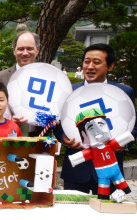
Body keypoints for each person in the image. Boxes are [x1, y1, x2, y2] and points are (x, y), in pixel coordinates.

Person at [55, 43, 136, 194]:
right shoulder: (68, 91)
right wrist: (63, 137)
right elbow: (57, 123)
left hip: (110, 168)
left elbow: (134, 126)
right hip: (76, 170)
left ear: (110, 66)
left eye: (97, 62)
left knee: (109, 213)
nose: (90, 66)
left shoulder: (124, 92)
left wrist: (124, 145)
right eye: (87, 61)